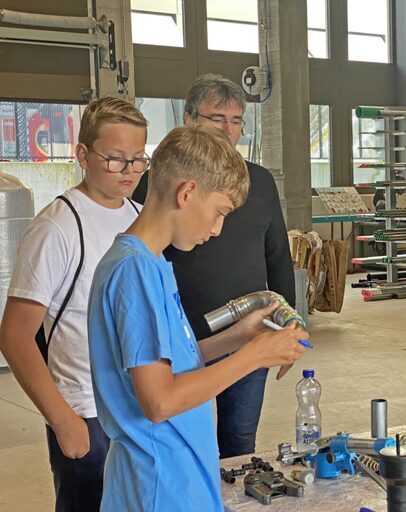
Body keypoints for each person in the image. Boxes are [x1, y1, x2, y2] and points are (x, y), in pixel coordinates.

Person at [88, 124, 307, 511]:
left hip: (178, 477)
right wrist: (254, 358)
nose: (217, 229)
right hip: (158, 487)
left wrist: (238, 338)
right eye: (219, 212)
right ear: (187, 193)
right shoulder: (134, 272)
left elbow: (166, 366)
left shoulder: (152, 264)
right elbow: (159, 401)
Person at [132, 74, 295, 459]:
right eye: (217, 118)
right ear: (189, 119)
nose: (228, 129)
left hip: (249, 329)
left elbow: (277, 255)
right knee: (185, 440)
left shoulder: (260, 181)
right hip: (185, 336)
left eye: (237, 121)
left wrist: (288, 319)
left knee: (238, 444)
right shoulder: (157, 186)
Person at [0, 97, 148, 511]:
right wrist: (63, 420)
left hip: (138, 403)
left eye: (138, 160)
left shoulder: (140, 217)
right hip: (86, 410)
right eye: (115, 159)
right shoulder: (57, 227)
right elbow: (14, 337)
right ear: (82, 154)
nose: (129, 172)